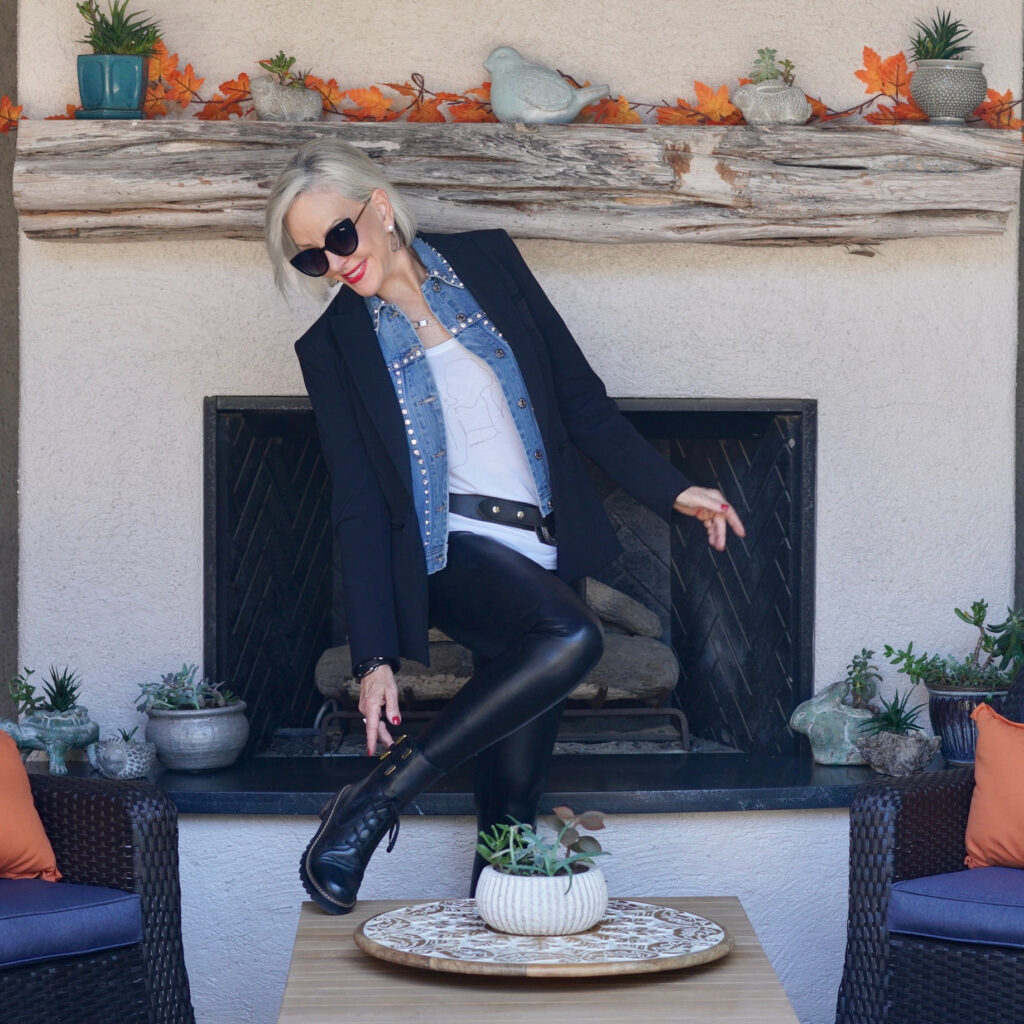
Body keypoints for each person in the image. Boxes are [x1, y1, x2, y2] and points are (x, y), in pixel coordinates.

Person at [264, 138, 746, 916]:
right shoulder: (333, 347)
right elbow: (354, 500)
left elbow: (581, 401)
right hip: (445, 552)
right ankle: (375, 801)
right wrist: (374, 656)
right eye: (312, 259)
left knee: (512, 803)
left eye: (339, 237)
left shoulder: (487, 265)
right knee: (573, 635)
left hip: (542, 546)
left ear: (379, 209)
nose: (334, 262)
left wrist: (675, 490)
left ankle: (489, 958)